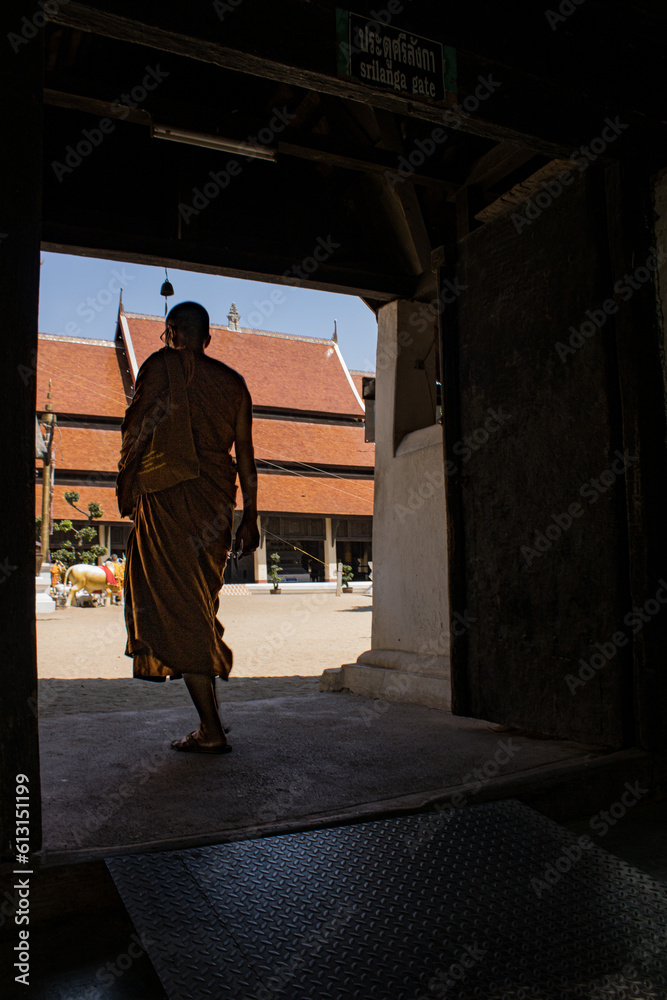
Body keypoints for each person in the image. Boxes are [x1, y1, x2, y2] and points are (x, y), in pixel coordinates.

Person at [117, 301, 259, 754]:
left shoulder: (159, 366)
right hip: (215, 508)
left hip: (168, 502)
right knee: (197, 605)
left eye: (167, 334)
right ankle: (211, 721)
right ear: (209, 337)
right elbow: (247, 461)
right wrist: (250, 517)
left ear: (172, 332)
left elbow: (135, 431)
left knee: (184, 613)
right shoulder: (234, 384)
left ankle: (211, 730)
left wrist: (130, 479)